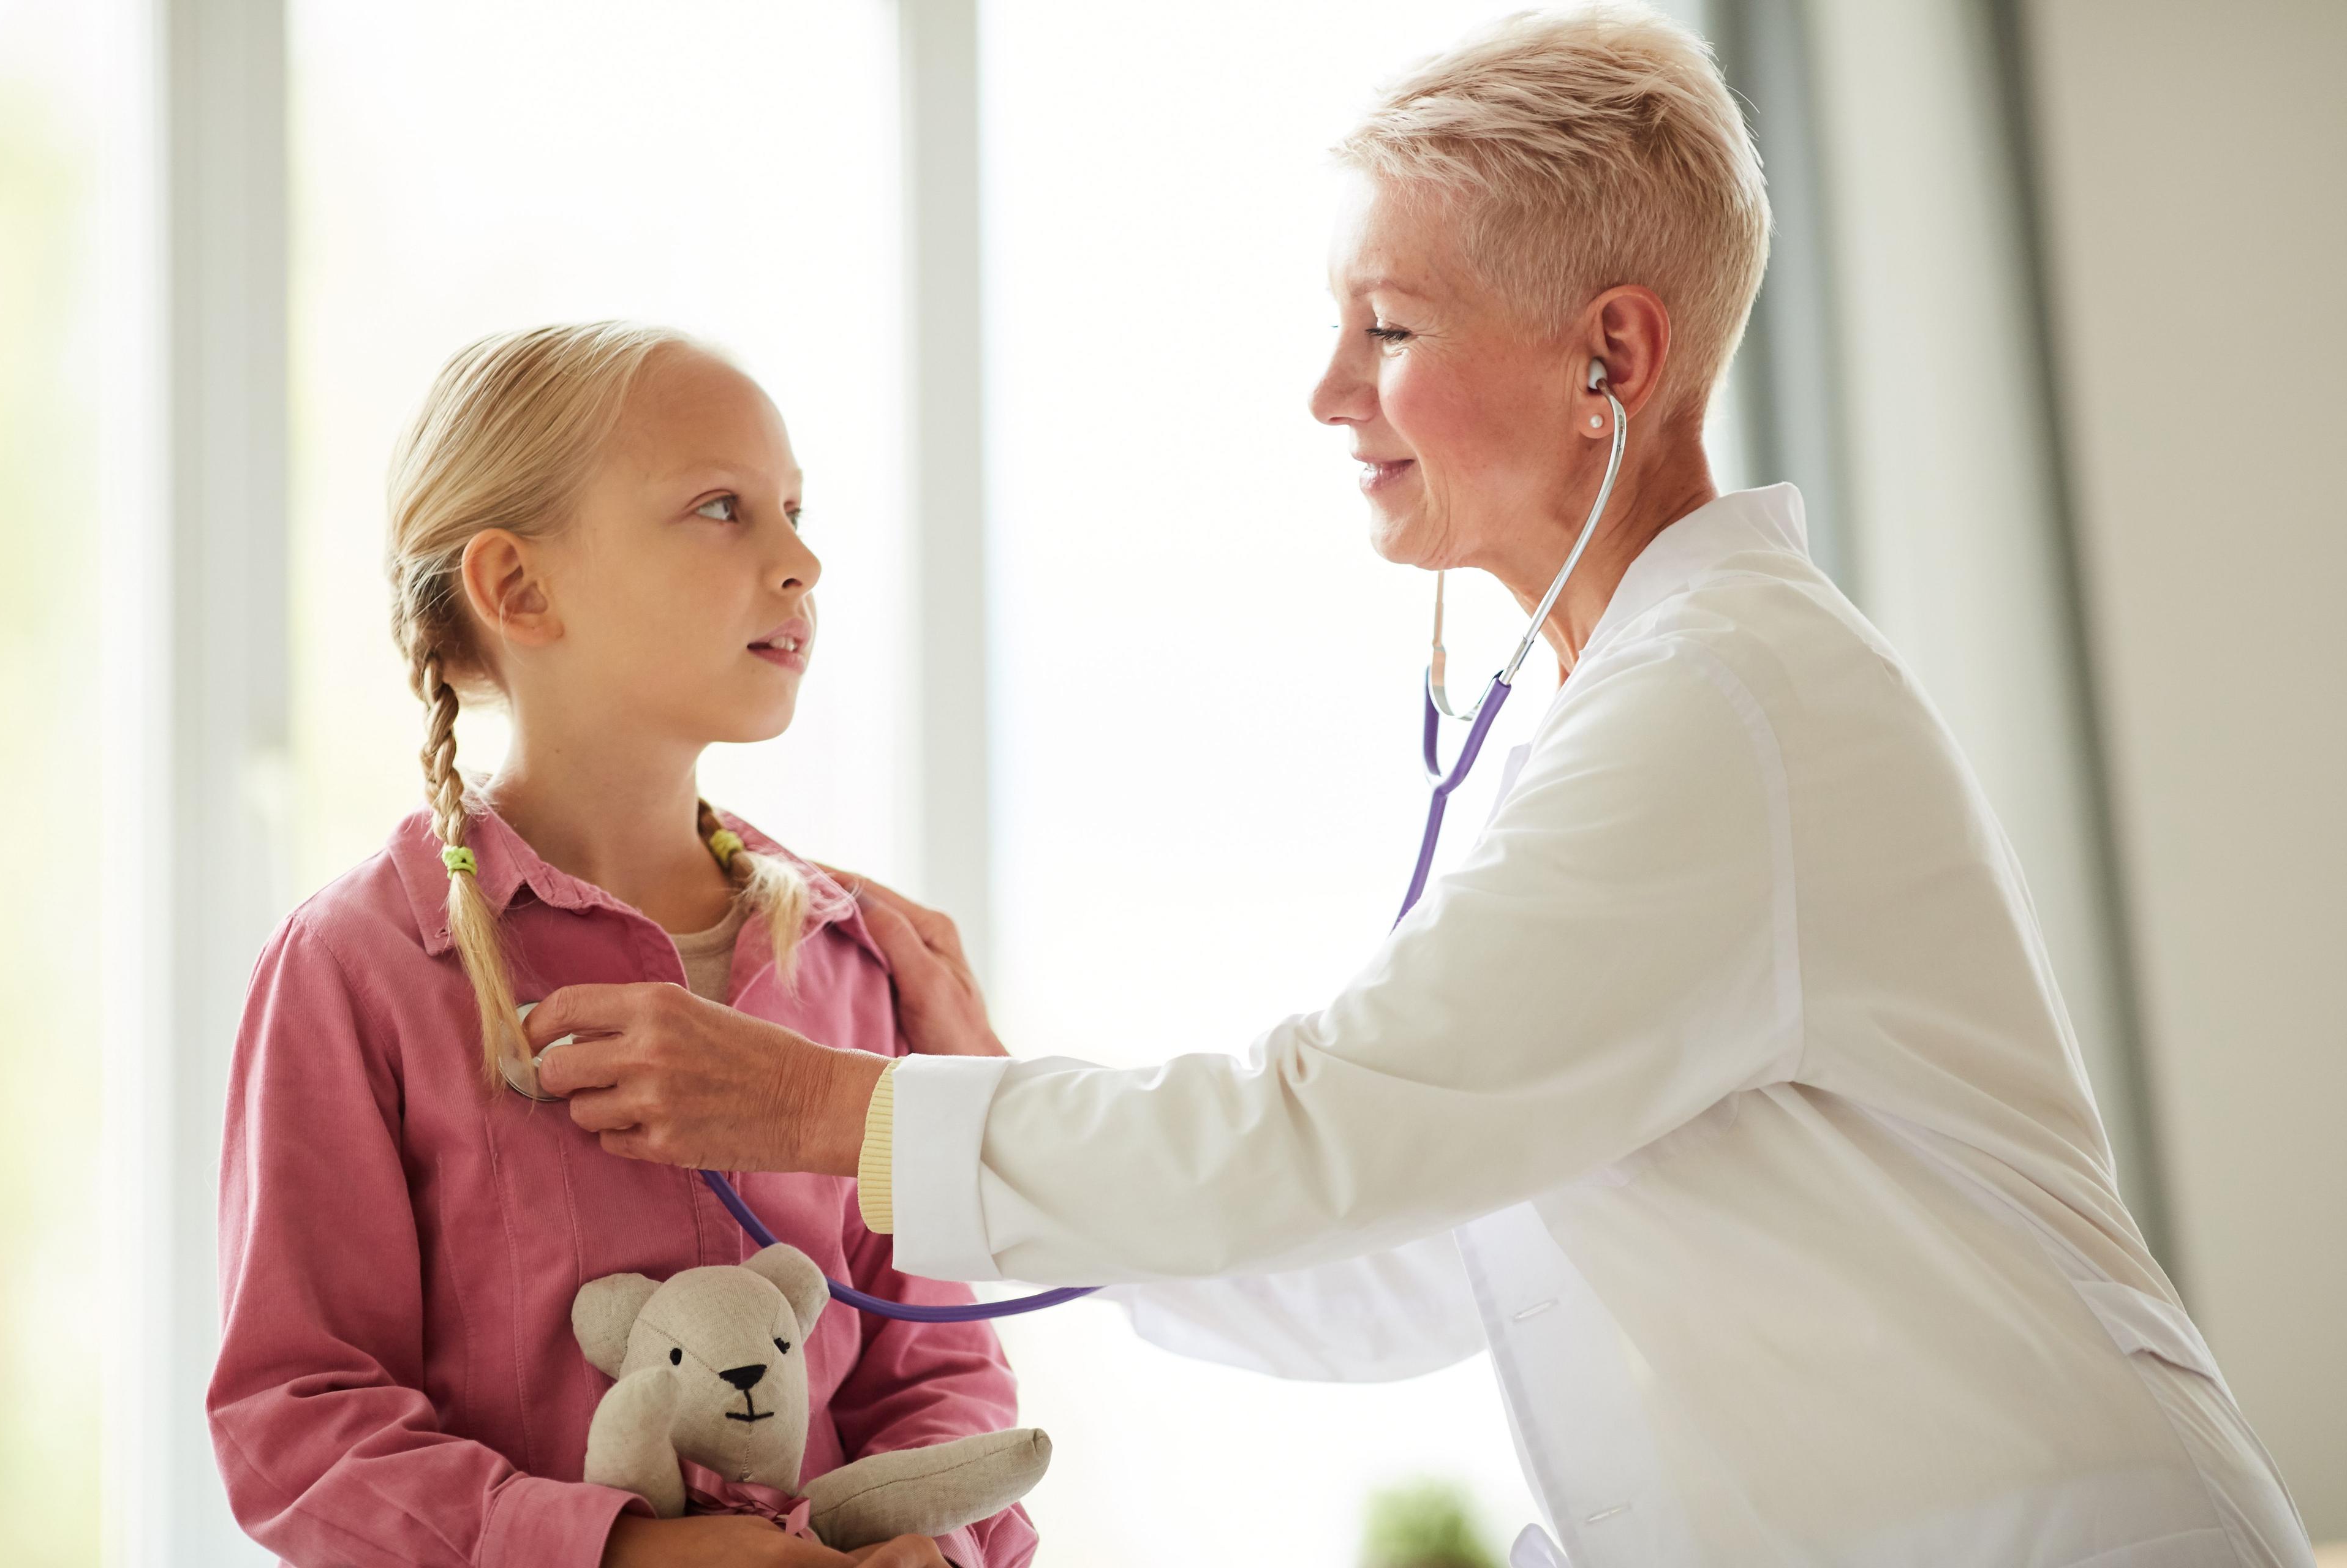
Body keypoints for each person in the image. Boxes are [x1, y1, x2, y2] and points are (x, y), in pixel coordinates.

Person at [517, 9, 2313, 1565]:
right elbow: (1401, 1256)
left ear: (1611, 359)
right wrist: (969, 1099)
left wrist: (840, 1112)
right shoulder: (1650, 718)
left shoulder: (1724, 715)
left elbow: (1329, 1133)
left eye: (1387, 327)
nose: (1325, 393)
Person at [208, 323, 1037, 1568]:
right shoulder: (357, 969)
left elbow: (941, 1365)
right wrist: (627, 1553)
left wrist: (939, 1547)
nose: (802, 559)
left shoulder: (849, 959)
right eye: (722, 508)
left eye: (797, 510)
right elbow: (299, 1421)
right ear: (520, 588)